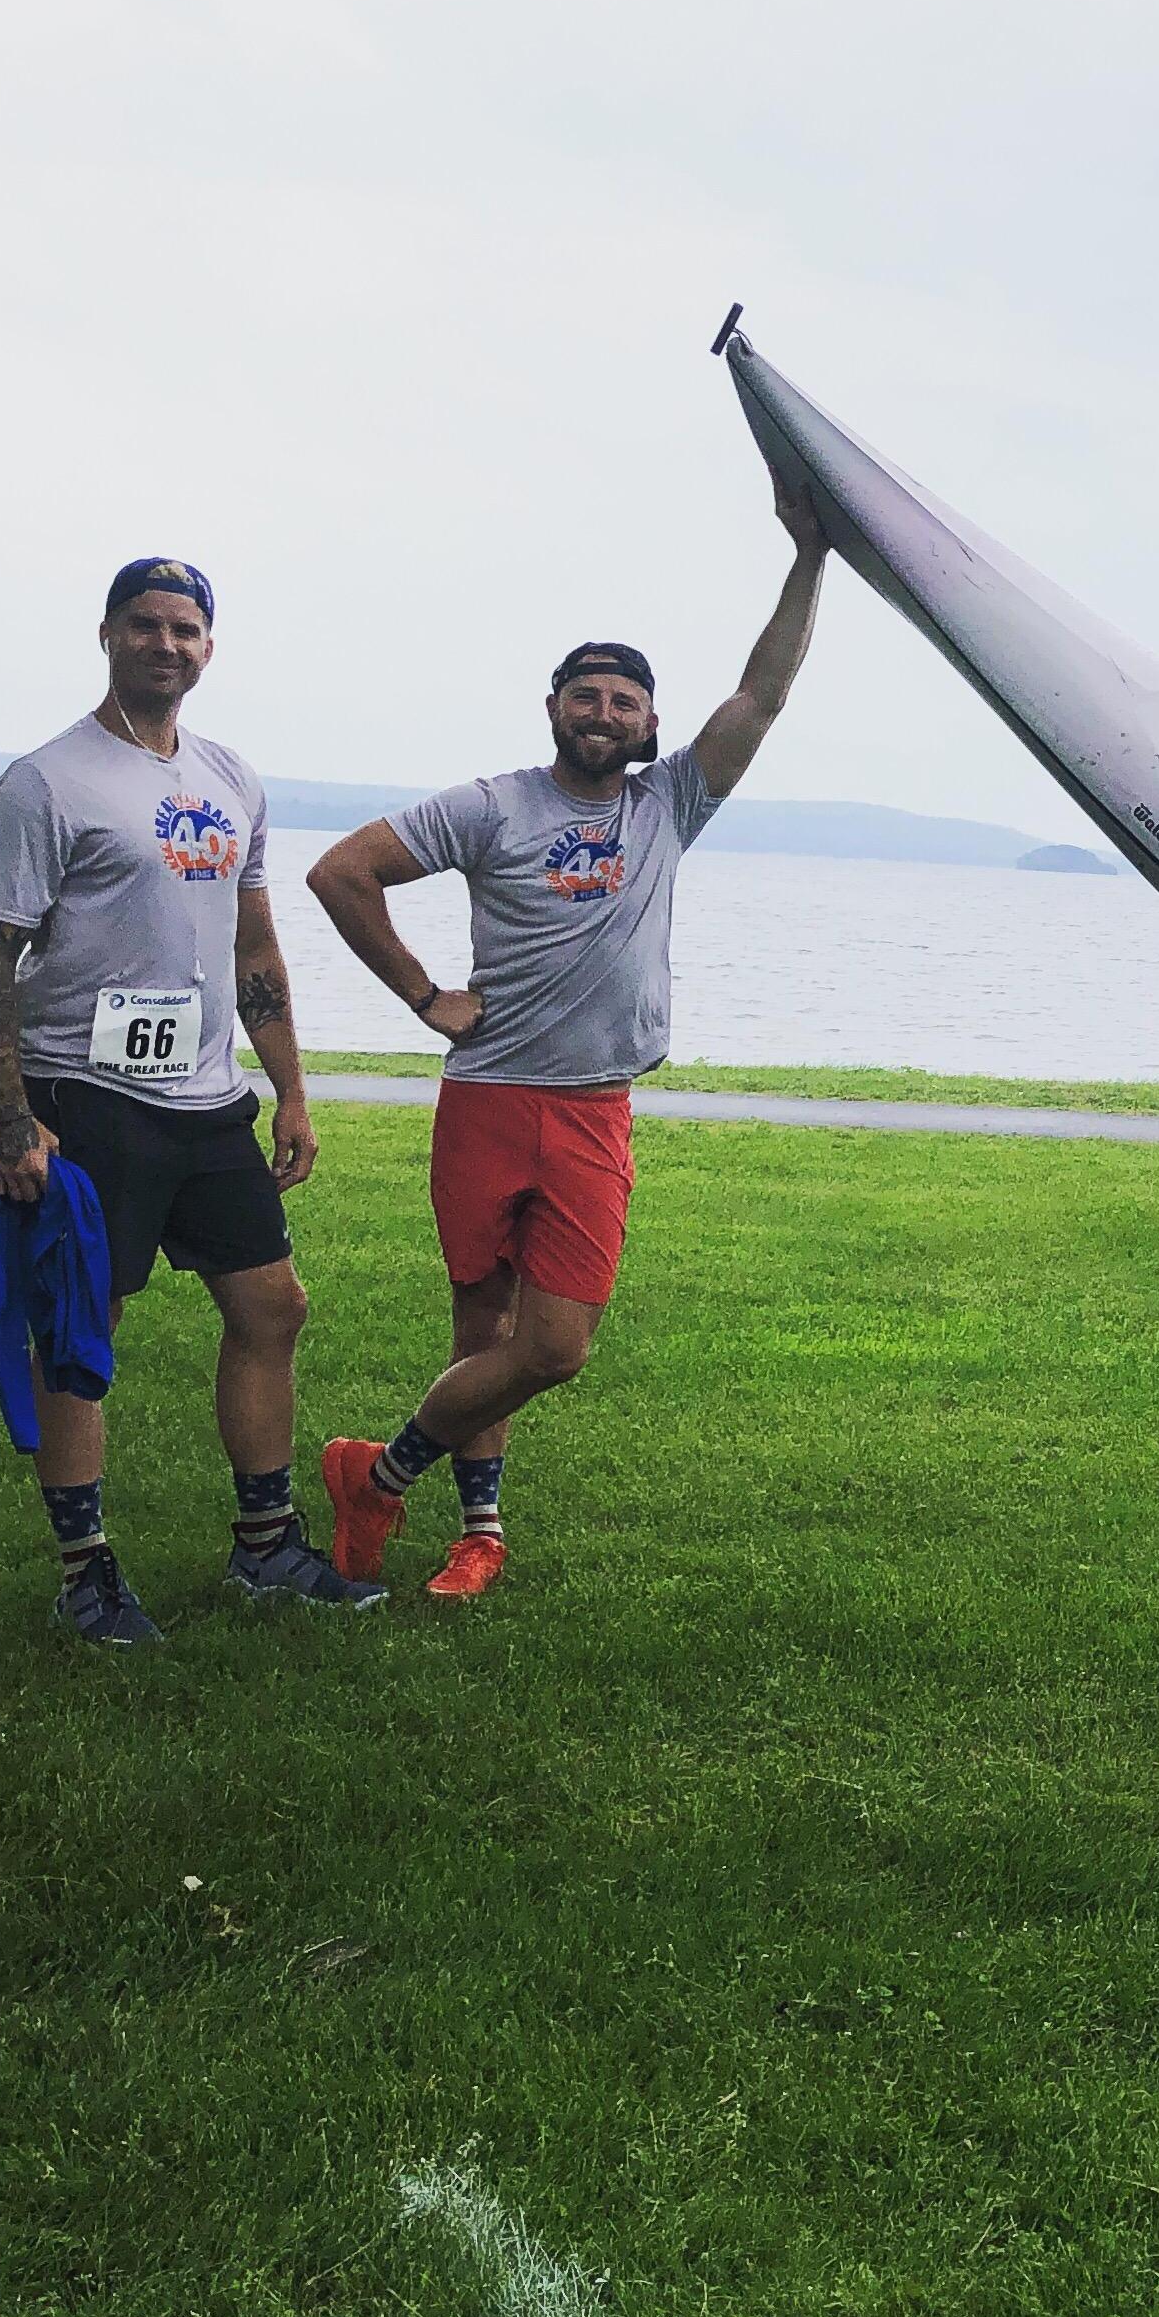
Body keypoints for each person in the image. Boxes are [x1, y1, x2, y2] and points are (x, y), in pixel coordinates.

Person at [306, 468, 832, 1595]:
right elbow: (343, 871)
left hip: (594, 1107)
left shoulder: (668, 807)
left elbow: (764, 694)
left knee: (553, 1349)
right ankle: (478, 1535)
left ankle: (377, 1476)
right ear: (553, 709)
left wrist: (810, 556)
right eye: (584, 696)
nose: (604, 714)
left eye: (625, 703)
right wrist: (421, 995)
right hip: (488, 1098)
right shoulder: (490, 807)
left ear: (649, 725)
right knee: (480, 1324)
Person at [0, 557, 380, 1645]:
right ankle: (85, 1571)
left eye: (185, 628)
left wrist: (290, 1088)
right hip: (85, 1094)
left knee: (272, 1306)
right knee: (82, 1327)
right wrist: (11, 1116)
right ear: (106, 635)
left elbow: (253, 943)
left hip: (207, 1103)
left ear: (208, 647)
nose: (165, 643)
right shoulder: (48, 781)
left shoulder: (231, 779)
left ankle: (266, 1547)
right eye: (145, 624)